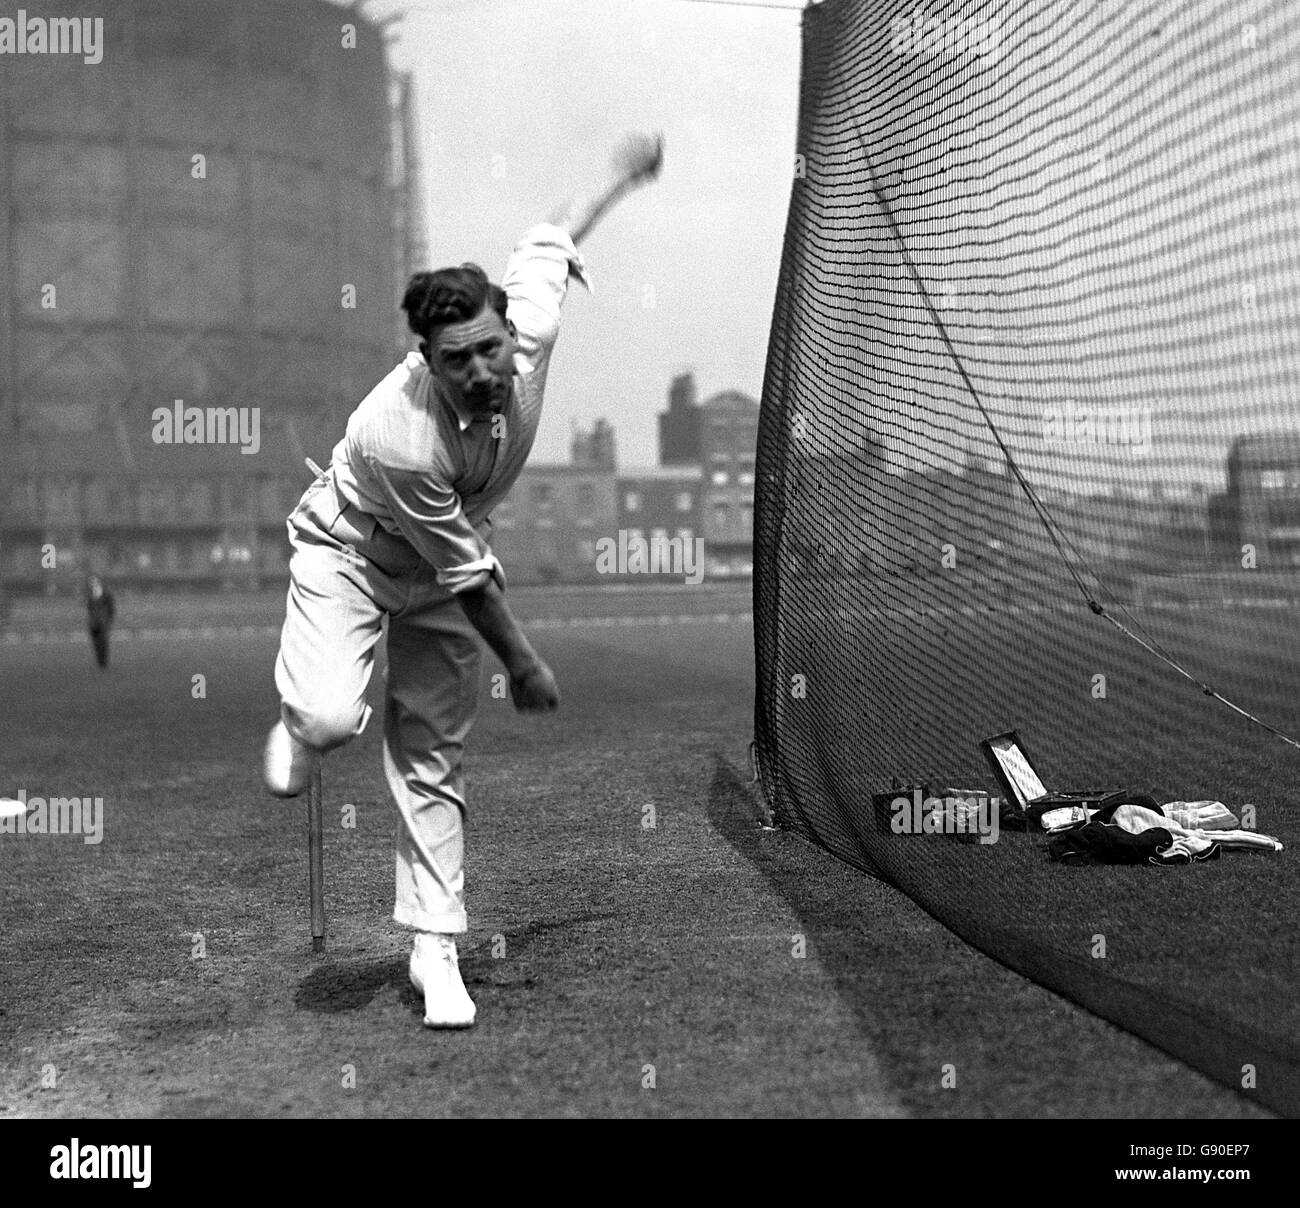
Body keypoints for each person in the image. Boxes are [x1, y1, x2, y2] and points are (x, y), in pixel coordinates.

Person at [261, 133, 664, 1028]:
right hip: (354, 554)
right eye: (456, 360)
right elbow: (474, 580)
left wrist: (619, 171)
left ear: (509, 330)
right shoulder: (396, 436)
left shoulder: (532, 323)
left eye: (490, 349)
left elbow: (554, 232)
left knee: (431, 755)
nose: (481, 373)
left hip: (444, 567)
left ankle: (434, 951)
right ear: (425, 361)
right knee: (330, 716)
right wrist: (523, 665)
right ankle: (301, 720)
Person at [86, 575, 115, 669]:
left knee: (103, 641)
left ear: (98, 582)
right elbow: (89, 608)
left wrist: (109, 620)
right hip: (93, 622)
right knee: (96, 642)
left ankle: (104, 661)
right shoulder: (90, 595)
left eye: (94, 581)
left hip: (103, 621)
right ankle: (99, 661)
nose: (92, 583)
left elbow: (111, 608)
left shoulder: (106, 594)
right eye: (91, 582)